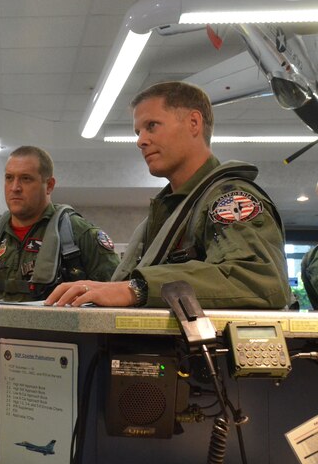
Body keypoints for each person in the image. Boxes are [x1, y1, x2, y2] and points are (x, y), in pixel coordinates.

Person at [46, 81, 292, 309]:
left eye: (151, 126)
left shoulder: (228, 199)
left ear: (194, 123)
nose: (141, 141)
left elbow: (259, 279)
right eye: (137, 132)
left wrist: (138, 288)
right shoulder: (169, 211)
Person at [0, 146, 119, 302]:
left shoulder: (80, 236)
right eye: (9, 178)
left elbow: (115, 299)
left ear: (49, 185)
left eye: (26, 178)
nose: (15, 187)